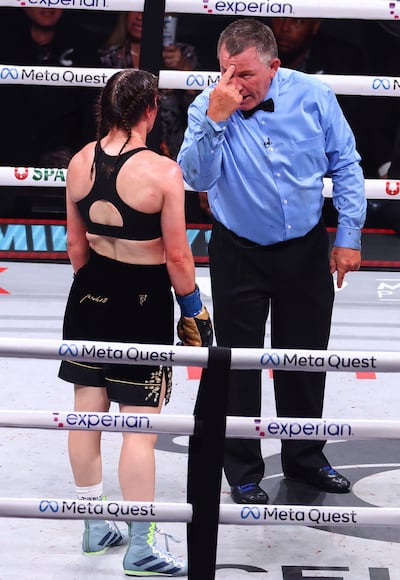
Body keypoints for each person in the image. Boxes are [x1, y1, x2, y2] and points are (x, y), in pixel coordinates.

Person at [178, 18, 366, 504]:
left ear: (274, 67)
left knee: (304, 357)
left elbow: (346, 163)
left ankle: (305, 458)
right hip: (238, 249)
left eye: (245, 76)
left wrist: (348, 236)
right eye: (226, 73)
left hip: (305, 247)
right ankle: (241, 469)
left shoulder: (314, 97)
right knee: (239, 363)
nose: (234, 86)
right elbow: (195, 178)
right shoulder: (209, 104)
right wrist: (215, 121)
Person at [58, 69, 212, 575]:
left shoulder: (80, 162)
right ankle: (141, 547)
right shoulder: (163, 172)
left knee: (87, 409)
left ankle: (93, 523)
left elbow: (76, 248)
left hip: (88, 295)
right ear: (151, 111)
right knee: (138, 428)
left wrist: (97, 288)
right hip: (143, 301)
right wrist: (192, 307)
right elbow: (177, 256)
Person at [0, 7, 99, 168]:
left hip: (64, 165)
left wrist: (78, 156)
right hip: (8, 161)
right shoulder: (5, 41)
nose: (48, 4)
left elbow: (91, 110)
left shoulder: (83, 45)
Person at [98, 11, 199, 160]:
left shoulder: (184, 54)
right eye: (136, 9)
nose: (140, 17)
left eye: (146, 12)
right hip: (120, 150)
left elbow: (199, 113)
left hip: (172, 151)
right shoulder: (109, 56)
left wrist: (185, 71)